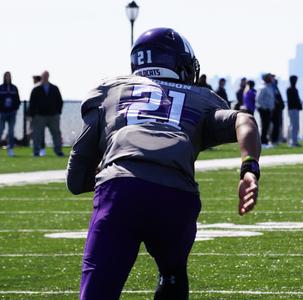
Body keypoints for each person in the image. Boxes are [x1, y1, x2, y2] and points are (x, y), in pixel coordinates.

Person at [66, 28, 261, 300]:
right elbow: (245, 121)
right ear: (179, 64)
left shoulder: (110, 92)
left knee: (98, 291)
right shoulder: (201, 98)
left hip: (119, 192)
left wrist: (111, 172)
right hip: (175, 196)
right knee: (172, 272)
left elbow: (75, 180)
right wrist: (249, 169)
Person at [29, 70, 64, 157]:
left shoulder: (54, 88)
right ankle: (36, 152)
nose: (45, 78)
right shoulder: (36, 89)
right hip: (39, 116)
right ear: (41, 77)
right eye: (44, 76)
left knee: (56, 134)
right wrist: (32, 115)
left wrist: (58, 112)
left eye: (46, 76)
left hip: (53, 115)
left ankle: (58, 151)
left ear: (48, 76)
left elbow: (59, 101)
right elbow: (32, 103)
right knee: (37, 135)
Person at [0, 72, 21, 157]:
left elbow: (17, 100)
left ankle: (10, 149)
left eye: (9, 76)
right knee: (0, 130)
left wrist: (15, 109)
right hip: (3, 113)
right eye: (6, 76)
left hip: (12, 113)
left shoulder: (14, 88)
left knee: (11, 131)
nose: (8, 78)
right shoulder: (1, 88)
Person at [256, 73, 275, 147]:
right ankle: (263, 142)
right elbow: (258, 99)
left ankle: (266, 141)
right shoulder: (263, 87)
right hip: (264, 110)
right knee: (264, 126)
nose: (271, 79)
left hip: (269, 110)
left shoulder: (269, 87)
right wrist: (265, 107)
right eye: (270, 77)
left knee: (267, 126)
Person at [286, 75, 302, 147]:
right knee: (294, 125)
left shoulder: (294, 89)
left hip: (294, 109)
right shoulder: (290, 89)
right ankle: (293, 142)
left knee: (293, 125)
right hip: (293, 109)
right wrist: (298, 105)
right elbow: (294, 100)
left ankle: (291, 141)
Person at [271, 78, 284, 145]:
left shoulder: (276, 88)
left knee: (278, 125)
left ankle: (277, 139)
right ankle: (274, 140)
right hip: (275, 110)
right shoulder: (272, 88)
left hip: (278, 110)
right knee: (275, 125)